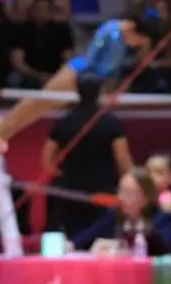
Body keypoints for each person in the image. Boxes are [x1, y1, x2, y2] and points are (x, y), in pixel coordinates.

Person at [0, 11, 164, 146]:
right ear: (133, 30)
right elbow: (91, 59)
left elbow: (112, 69)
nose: (137, 45)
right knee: (37, 104)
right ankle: (0, 130)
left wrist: (111, 87)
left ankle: (5, 133)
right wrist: (98, 87)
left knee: (40, 110)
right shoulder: (109, 31)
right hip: (76, 75)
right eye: (139, 41)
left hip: (92, 83)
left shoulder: (124, 40)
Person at [43, 75, 135, 238]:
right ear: (101, 92)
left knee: (69, 239)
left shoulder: (63, 122)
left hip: (69, 193)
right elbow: (124, 162)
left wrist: (62, 174)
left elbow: (46, 160)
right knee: (101, 239)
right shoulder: (111, 123)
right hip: (103, 193)